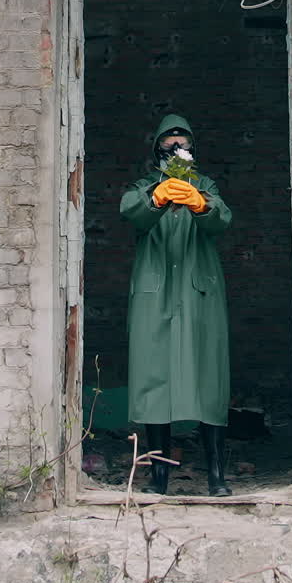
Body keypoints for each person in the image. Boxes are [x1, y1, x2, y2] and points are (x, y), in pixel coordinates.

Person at [120, 113, 233, 496]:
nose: (176, 148)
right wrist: (156, 198)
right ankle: (158, 478)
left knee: (209, 378)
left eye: (182, 142)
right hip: (156, 293)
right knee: (155, 380)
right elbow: (130, 211)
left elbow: (223, 220)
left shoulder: (205, 185)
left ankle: (217, 476)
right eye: (168, 142)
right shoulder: (144, 185)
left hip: (199, 291)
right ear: (156, 148)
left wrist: (202, 205)